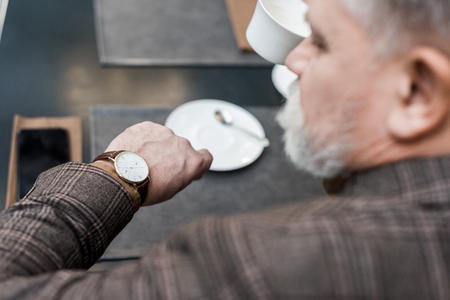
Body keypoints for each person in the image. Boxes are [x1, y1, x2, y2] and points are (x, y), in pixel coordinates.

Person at [2, 0, 450, 298]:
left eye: (322, 42)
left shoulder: (272, 261)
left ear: (417, 91)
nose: (294, 60)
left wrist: (121, 172)